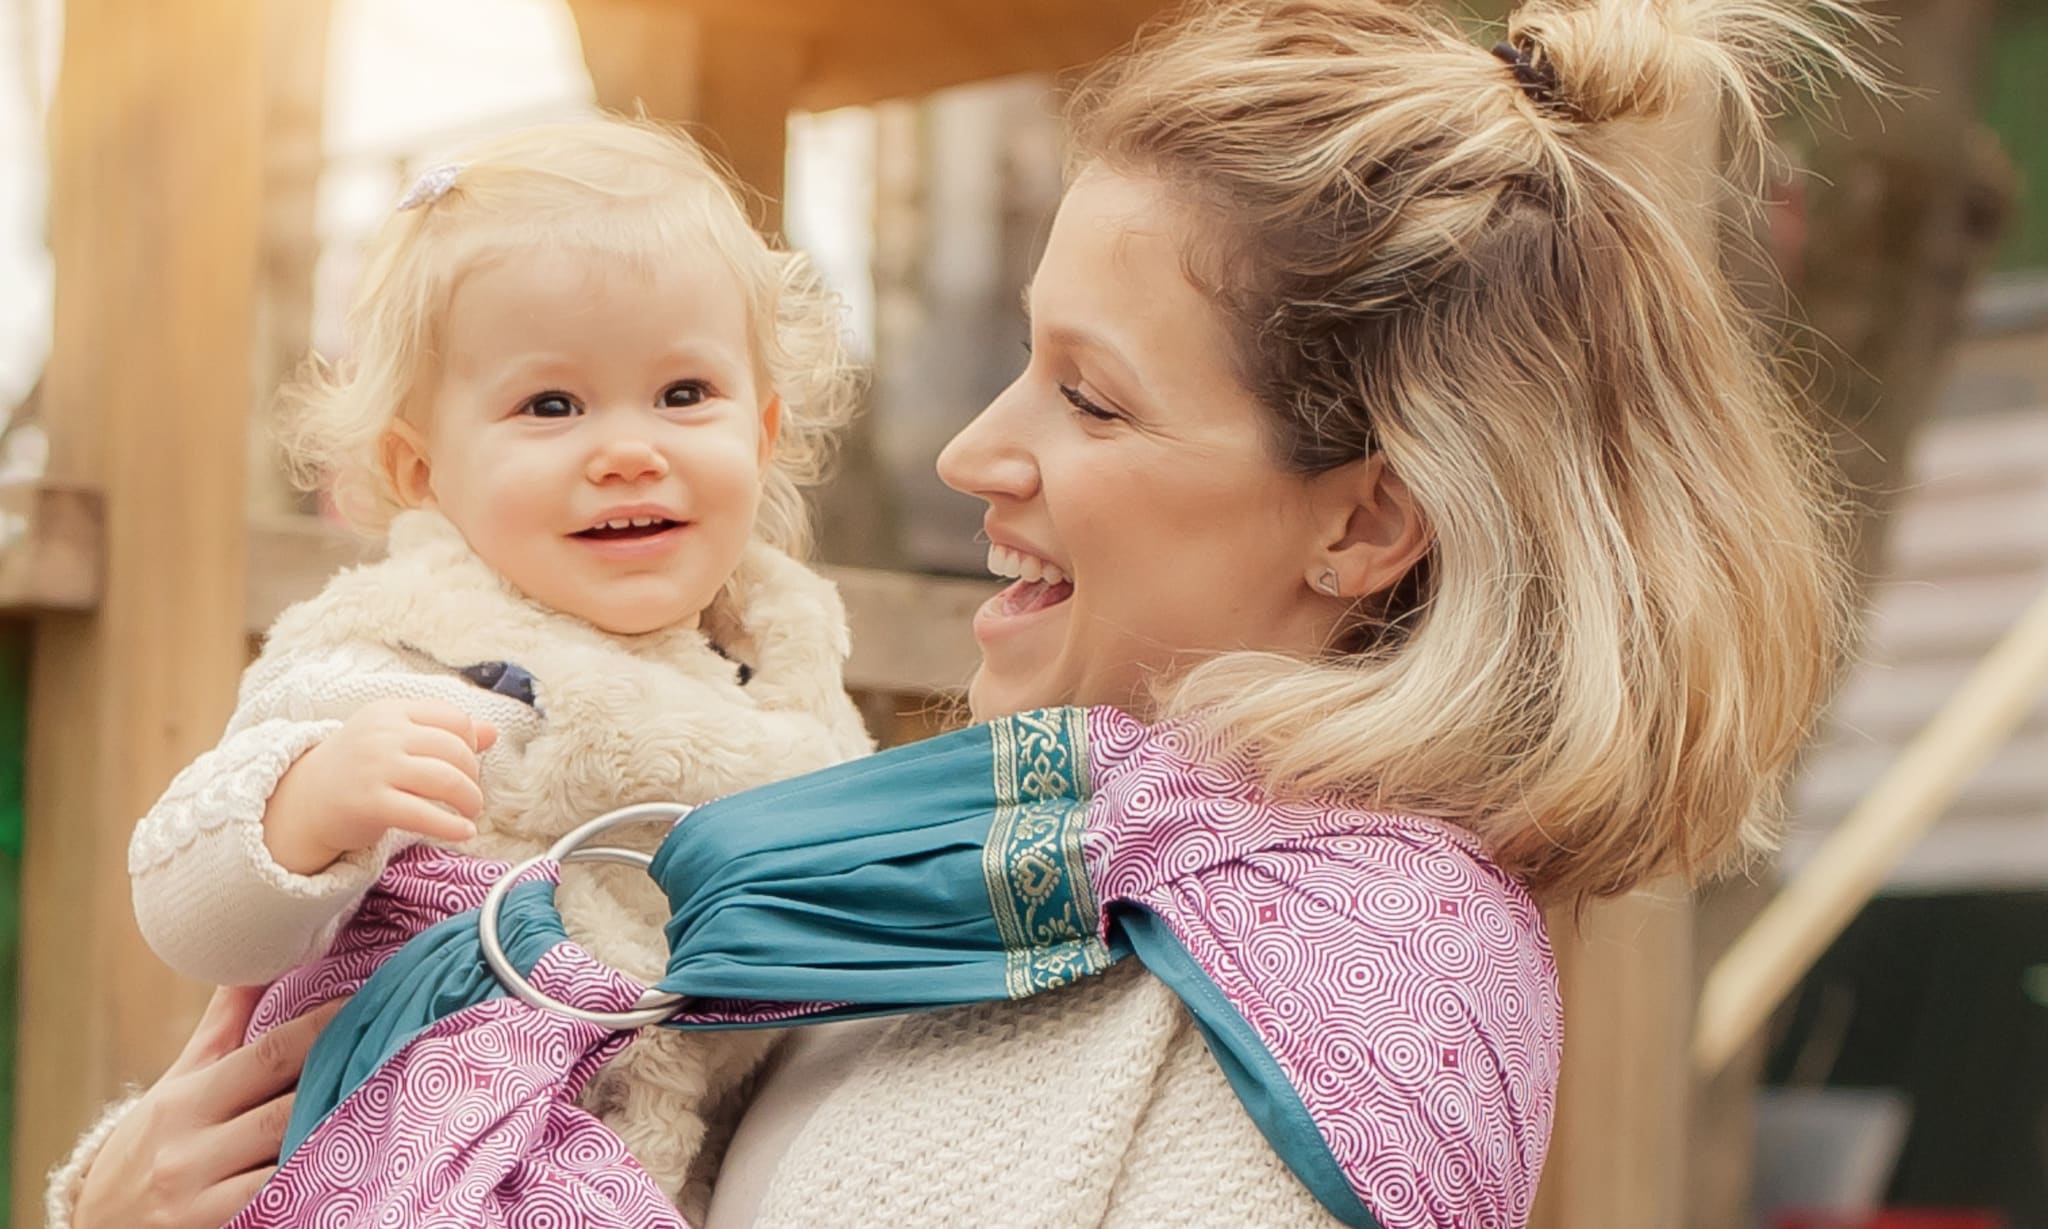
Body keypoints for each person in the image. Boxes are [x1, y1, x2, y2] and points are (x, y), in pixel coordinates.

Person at [53, 0, 1873, 1224]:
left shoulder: (1339, 995)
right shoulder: (974, 866)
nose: (968, 452)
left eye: (1089, 397)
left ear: (1368, 519)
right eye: (1019, 358)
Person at [75, 117, 874, 1219]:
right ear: (421, 468)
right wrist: (306, 807)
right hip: (410, 1149)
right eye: (551, 405)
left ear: (765, 429)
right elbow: (187, 914)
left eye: (684, 392)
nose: (628, 449)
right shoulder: (404, 654)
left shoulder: (790, 684)